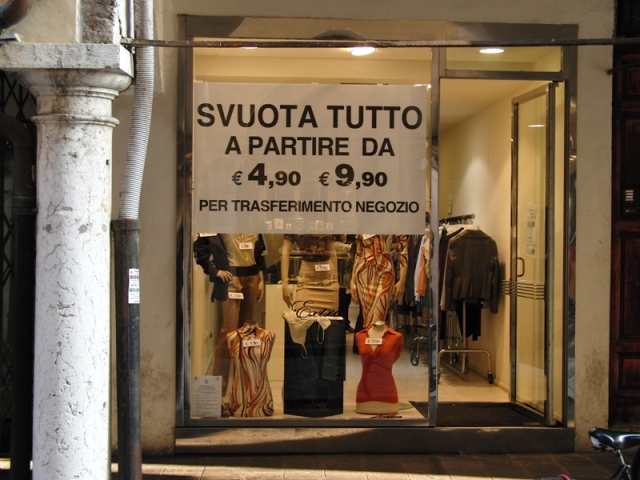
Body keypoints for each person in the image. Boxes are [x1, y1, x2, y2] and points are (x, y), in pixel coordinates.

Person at [193, 233, 266, 402]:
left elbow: (259, 253)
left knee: (247, 334)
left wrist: (261, 279)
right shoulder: (220, 223)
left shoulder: (253, 224)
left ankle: (244, 393)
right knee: (229, 333)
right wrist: (213, 270)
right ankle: (217, 394)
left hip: (252, 277)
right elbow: (199, 247)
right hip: (231, 277)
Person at [350, 234, 408, 330]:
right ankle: (370, 339)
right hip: (363, 274)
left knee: (378, 318)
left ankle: (374, 338)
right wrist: (353, 280)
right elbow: (359, 253)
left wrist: (402, 280)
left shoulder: (393, 224)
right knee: (367, 320)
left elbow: (404, 249)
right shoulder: (364, 224)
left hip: (384, 271)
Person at [280, 234, 339, 314]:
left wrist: (336, 282)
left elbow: (332, 251)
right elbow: (285, 250)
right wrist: (284, 286)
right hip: (307, 278)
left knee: (329, 320)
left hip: (328, 279)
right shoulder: (296, 225)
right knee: (302, 317)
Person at [355, 321, 403, 414]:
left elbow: (395, 357)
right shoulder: (360, 335)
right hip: (364, 394)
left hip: (388, 394)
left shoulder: (396, 337)